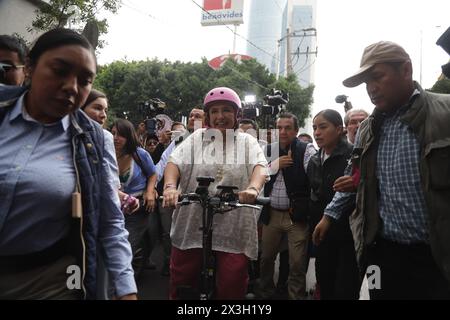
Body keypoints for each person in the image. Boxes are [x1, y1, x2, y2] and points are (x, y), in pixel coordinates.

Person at [0, 28, 136, 299]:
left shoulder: (95, 141)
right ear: (29, 67)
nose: (72, 87)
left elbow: (109, 222)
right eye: (60, 70)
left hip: (49, 282)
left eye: (85, 80)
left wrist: (126, 291)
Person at [314, 41, 450, 299]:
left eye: (377, 77)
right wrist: (329, 216)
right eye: (367, 83)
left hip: (437, 258)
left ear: (406, 70)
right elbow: (355, 177)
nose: (371, 89)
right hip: (380, 253)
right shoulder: (367, 129)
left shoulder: (445, 113)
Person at [162, 87, 269, 299]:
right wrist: (170, 188)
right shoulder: (197, 137)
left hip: (234, 220)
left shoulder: (247, 141)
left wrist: (253, 189)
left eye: (226, 110)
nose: (220, 116)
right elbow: (175, 163)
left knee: (233, 281)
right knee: (182, 277)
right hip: (193, 216)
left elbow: (260, 166)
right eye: (215, 111)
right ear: (208, 115)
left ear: (236, 114)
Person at [258, 112, 316, 300]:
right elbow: (255, 175)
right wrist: (274, 165)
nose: (282, 132)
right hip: (271, 214)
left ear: (296, 130)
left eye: (287, 128)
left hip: (296, 216)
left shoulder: (306, 149)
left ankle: (295, 296)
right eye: (279, 127)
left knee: (297, 263)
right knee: (266, 258)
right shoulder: (267, 150)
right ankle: (265, 293)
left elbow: (315, 174)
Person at [307, 109, 360, 300]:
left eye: (323, 127)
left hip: (348, 235)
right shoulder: (314, 159)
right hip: (321, 234)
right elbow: (313, 194)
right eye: (314, 128)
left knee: (345, 288)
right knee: (325, 281)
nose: (317, 132)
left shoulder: (354, 155)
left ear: (339, 129)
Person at [111, 118, 158, 278]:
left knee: (125, 247)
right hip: (113, 207)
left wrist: (150, 192)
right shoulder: (106, 153)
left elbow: (152, 174)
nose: (116, 138)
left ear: (129, 136)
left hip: (138, 207)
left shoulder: (140, 154)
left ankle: (122, 285)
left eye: (121, 135)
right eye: (113, 133)